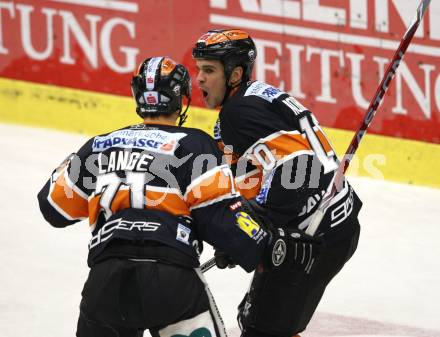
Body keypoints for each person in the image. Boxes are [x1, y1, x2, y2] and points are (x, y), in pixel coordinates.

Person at [37, 56, 309, 337]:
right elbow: (220, 218)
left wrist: (76, 160)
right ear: (182, 98)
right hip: (171, 281)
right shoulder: (195, 143)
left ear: (137, 96)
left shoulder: (97, 145)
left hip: (105, 281)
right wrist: (267, 244)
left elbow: (52, 207)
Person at [192, 29, 363, 337]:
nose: (200, 79)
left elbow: (299, 165)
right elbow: (259, 173)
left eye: (209, 70)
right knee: (264, 323)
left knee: (262, 329)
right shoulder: (258, 95)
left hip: (313, 237)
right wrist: (242, 227)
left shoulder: (238, 113)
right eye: (199, 69)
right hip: (334, 223)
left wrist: (259, 228)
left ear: (235, 74)